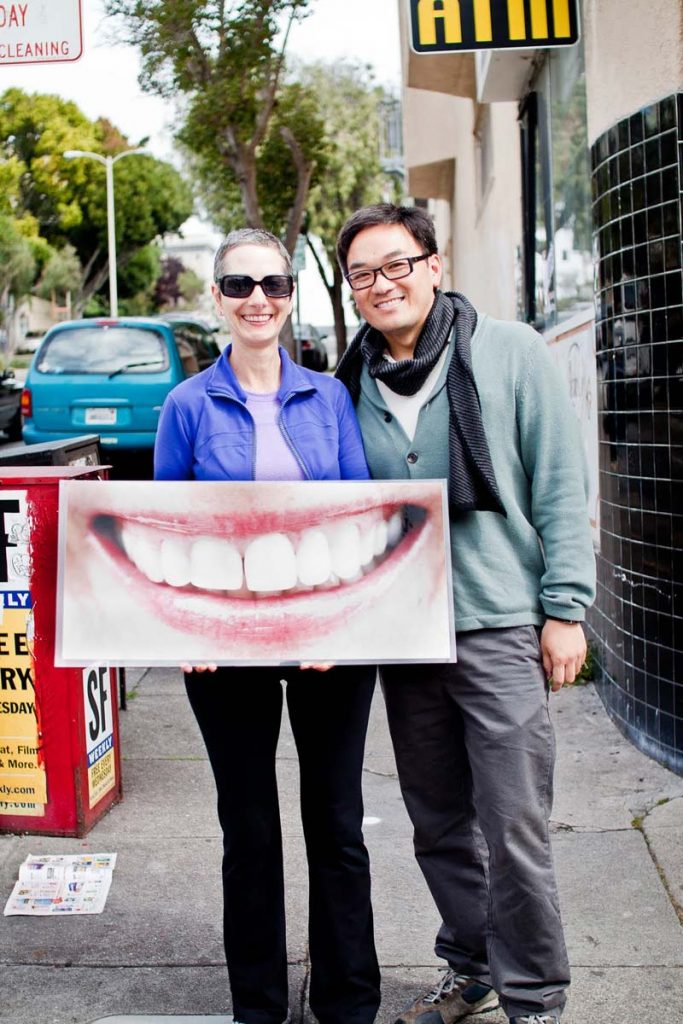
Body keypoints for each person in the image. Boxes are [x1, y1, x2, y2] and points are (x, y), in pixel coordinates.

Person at [335, 204, 596, 1024]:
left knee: (513, 825)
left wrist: (566, 609)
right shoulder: (351, 382)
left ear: (434, 265)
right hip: (406, 636)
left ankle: (534, 998)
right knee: (438, 821)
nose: (383, 284)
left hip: (499, 624)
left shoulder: (508, 351)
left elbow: (558, 481)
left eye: (397, 263)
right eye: (363, 274)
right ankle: (471, 965)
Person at [153, 228, 381, 1024]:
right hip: (226, 649)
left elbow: (352, 518)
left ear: (290, 298)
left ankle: (349, 1003)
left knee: (338, 826)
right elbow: (171, 527)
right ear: (216, 298)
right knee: (248, 832)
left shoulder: (329, 397)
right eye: (240, 285)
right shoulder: (186, 404)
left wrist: (332, 627)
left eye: (274, 285)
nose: (258, 299)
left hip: (328, 645)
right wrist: (189, 632)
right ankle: (259, 1005)